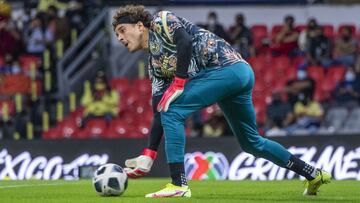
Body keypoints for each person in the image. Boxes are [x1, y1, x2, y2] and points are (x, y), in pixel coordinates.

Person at [112, 5, 331, 198]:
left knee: (173, 108)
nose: (120, 38)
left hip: (228, 70)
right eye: (116, 35)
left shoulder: (161, 19)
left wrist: (178, 83)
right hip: (237, 77)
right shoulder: (155, 66)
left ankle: (178, 184)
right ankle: (313, 174)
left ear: (140, 25)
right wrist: (148, 154)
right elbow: (158, 111)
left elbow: (184, 41)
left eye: (122, 30)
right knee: (251, 143)